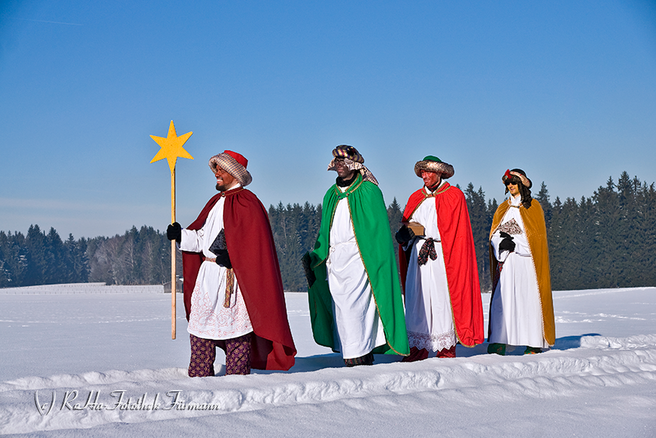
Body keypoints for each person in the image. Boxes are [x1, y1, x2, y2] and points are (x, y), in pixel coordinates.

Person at [167, 150, 296, 377]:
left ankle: (237, 382)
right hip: (207, 276)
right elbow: (201, 240)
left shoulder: (249, 203)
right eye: (215, 168)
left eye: (221, 169)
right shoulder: (215, 202)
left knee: (236, 334)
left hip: (233, 279)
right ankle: (199, 378)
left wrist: (235, 259)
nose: (216, 173)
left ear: (234, 173)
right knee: (201, 328)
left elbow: (255, 248)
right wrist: (181, 235)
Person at [303, 145, 409, 366]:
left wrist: (375, 263)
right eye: (337, 162)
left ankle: (359, 357)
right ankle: (351, 355)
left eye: (344, 161)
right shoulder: (331, 195)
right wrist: (316, 257)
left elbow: (377, 235)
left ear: (355, 165)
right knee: (342, 311)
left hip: (360, 260)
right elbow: (325, 232)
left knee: (357, 309)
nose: (339, 165)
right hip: (335, 262)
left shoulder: (369, 192)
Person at [396, 155, 485, 361]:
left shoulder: (454, 196)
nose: (424, 176)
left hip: (443, 257)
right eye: (422, 173)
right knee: (417, 298)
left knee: (441, 298)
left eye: (428, 172)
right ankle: (418, 347)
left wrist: (430, 233)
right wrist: (405, 236)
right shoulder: (415, 198)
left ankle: (446, 348)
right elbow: (408, 225)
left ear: (439, 173)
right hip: (418, 257)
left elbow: (457, 233)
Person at [487, 169, 555, 355]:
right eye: (508, 183)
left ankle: (533, 341)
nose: (510, 186)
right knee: (503, 299)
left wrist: (515, 244)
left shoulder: (533, 207)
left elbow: (537, 239)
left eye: (513, 182)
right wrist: (501, 242)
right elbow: (493, 234)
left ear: (522, 184)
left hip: (527, 263)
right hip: (507, 262)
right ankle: (499, 340)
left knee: (529, 299)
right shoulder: (503, 209)